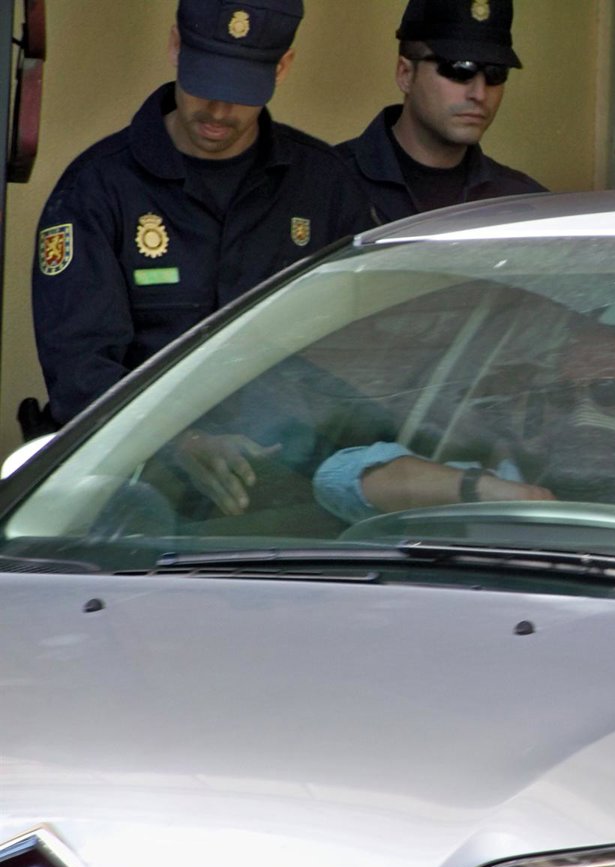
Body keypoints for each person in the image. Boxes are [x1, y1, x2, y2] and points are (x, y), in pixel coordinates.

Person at [31, 0, 374, 512]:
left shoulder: (323, 186)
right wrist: (177, 444)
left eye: (240, 91)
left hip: (297, 490)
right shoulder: (99, 189)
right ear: (175, 46)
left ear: (282, 67)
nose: (217, 109)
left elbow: (363, 355)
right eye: (204, 82)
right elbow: (80, 372)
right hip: (137, 490)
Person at [313, 327, 615, 559]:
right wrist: (491, 492)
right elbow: (336, 479)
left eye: (608, 392)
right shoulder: (509, 482)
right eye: (565, 396)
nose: (584, 413)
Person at [338, 0, 545, 222]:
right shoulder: (327, 184)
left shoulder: (523, 205)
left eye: (496, 73)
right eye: (459, 69)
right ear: (405, 74)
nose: (479, 94)